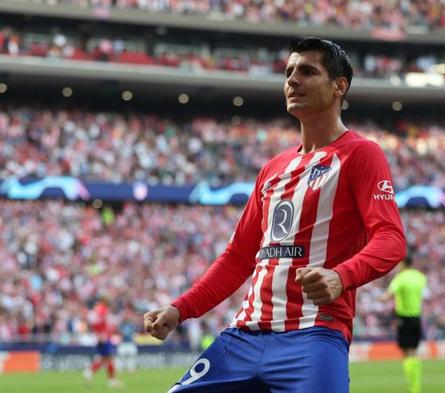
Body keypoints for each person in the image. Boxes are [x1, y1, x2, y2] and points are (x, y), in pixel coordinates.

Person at [143, 36, 406, 393]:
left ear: (339, 87)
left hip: (314, 335)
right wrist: (180, 309)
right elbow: (238, 257)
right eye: (289, 72)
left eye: (307, 71)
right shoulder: (273, 168)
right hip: (244, 336)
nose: (292, 80)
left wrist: (340, 277)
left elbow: (391, 239)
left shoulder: (361, 154)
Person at [380, 252, 427, 393]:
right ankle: (416, 385)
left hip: (404, 319)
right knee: (415, 352)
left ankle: (412, 387)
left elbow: (387, 296)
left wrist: (379, 298)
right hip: (417, 318)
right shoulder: (420, 277)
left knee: (407, 353)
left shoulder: (400, 278)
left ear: (403, 264)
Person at [83, 297, 123, 388]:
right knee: (108, 357)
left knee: (104, 358)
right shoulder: (102, 309)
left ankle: (89, 373)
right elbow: (97, 322)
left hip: (102, 337)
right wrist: (100, 333)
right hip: (104, 337)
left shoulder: (97, 309)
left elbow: (93, 321)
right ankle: (111, 381)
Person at [117, 306, 139, 373]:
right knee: (121, 356)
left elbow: (134, 333)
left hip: (130, 342)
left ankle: (131, 369)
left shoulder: (131, 324)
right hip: (123, 342)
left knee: (132, 356)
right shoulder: (121, 324)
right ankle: (120, 369)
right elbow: (119, 333)